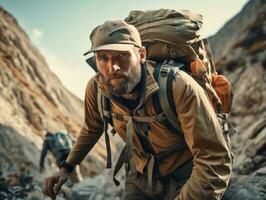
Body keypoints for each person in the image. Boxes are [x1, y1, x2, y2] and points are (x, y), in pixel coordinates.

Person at [43, 19, 232, 200]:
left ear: (141, 55)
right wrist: (66, 167)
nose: (112, 67)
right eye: (102, 58)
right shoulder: (96, 88)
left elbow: (213, 160)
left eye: (121, 56)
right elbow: (92, 128)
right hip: (140, 177)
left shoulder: (178, 87)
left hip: (187, 175)